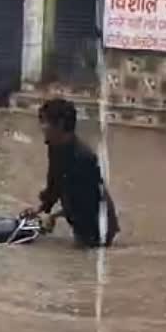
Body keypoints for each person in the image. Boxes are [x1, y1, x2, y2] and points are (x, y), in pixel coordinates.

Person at [21, 98, 120, 248]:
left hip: (97, 226)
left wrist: (54, 216)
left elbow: (86, 203)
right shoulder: (54, 146)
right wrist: (40, 209)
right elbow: (54, 183)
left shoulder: (84, 158)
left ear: (59, 125)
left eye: (45, 122)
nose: (41, 127)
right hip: (79, 217)